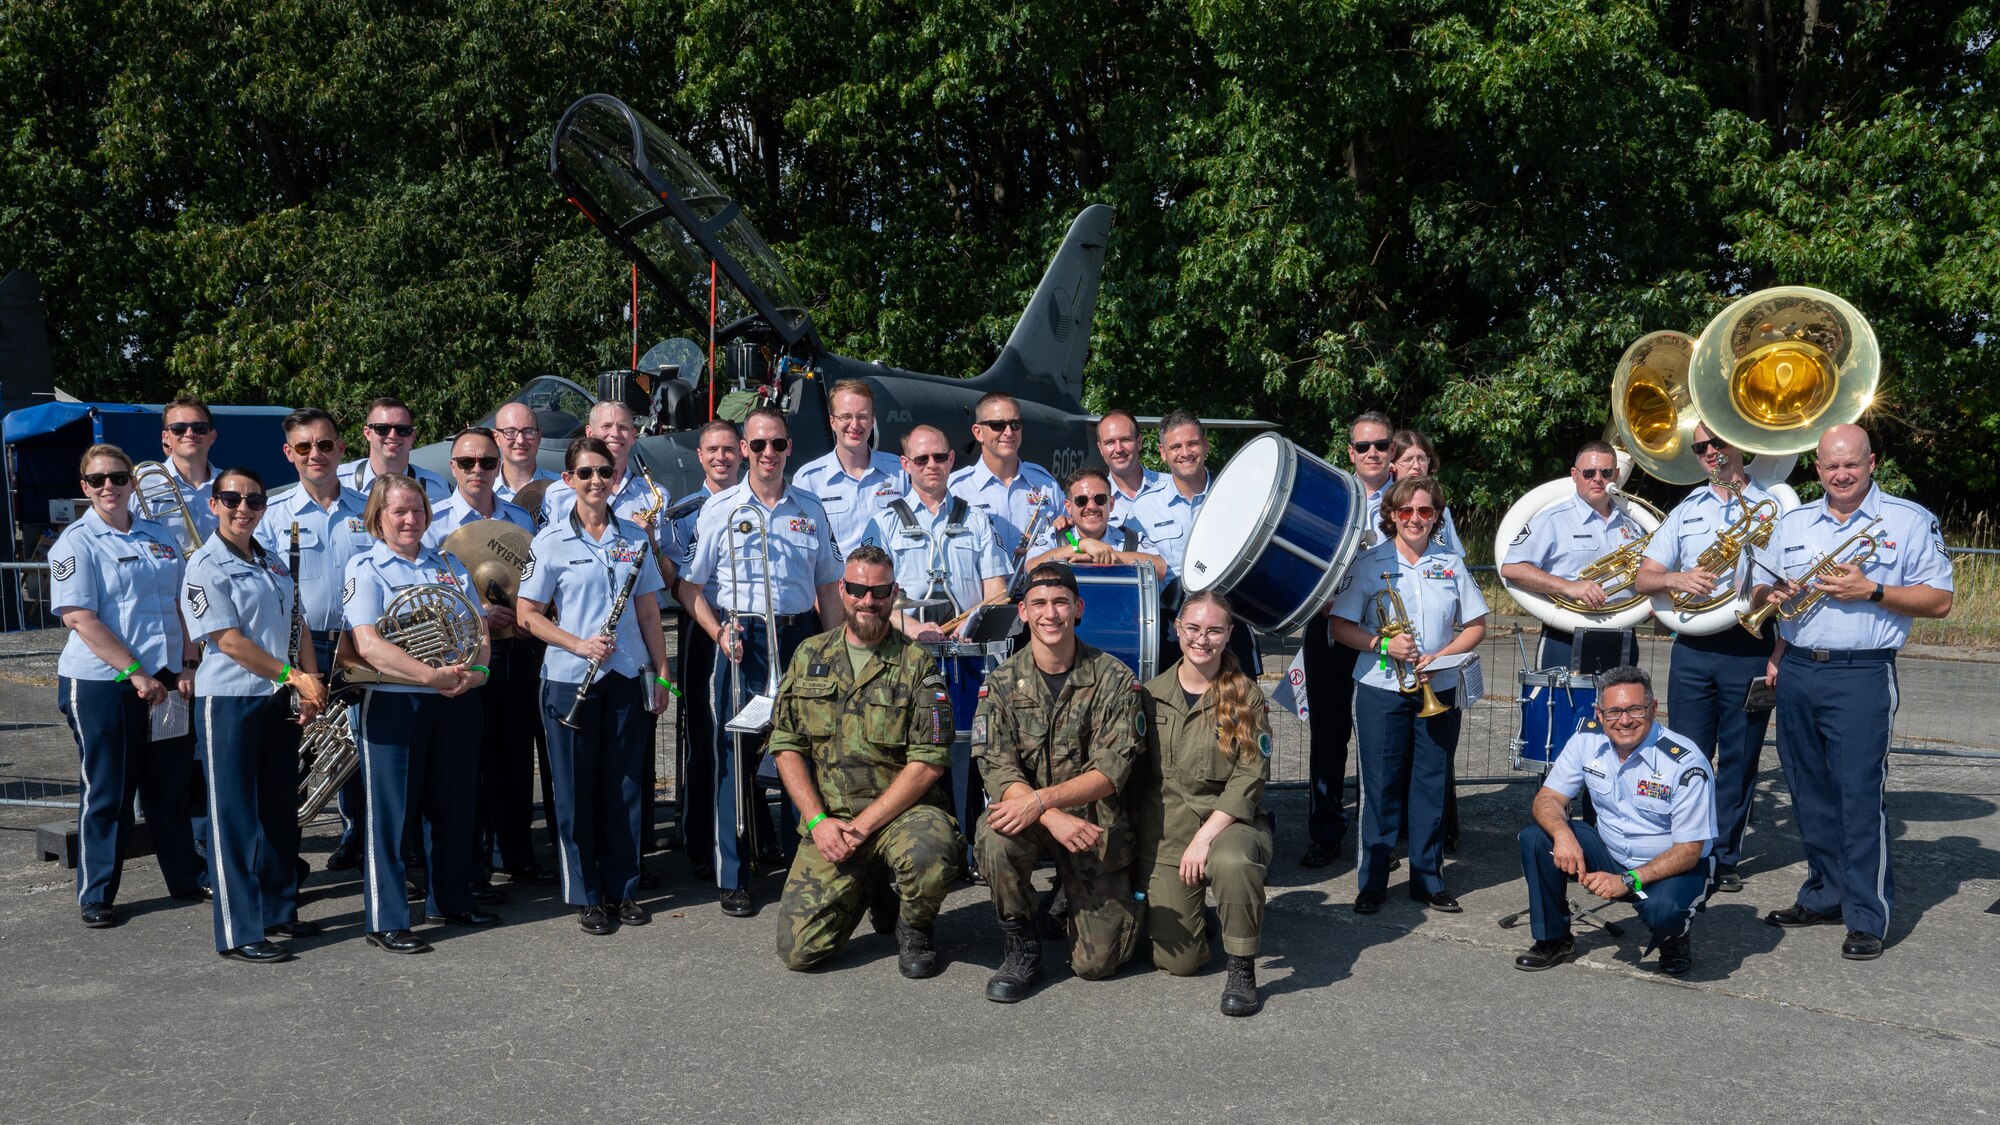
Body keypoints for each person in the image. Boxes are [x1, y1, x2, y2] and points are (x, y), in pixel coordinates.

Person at [1751, 424, 1952, 961]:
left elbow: (1939, 601)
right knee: (1809, 793)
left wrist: (1874, 590)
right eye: (1830, 465)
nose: (1841, 474)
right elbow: (1758, 583)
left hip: (1862, 673)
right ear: (1817, 468)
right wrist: (1772, 592)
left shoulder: (1908, 521)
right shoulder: (1793, 523)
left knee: (1859, 797)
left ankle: (1867, 916)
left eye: (1851, 464)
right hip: (1797, 671)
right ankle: (1825, 895)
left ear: (1871, 463)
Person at [678, 406, 843, 917]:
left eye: (777, 445)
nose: (767, 454)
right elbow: (688, 587)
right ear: (745, 449)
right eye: (757, 445)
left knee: (804, 752)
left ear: (790, 448)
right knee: (734, 755)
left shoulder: (811, 508)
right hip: (741, 639)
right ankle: (734, 876)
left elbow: (828, 587)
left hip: (799, 640)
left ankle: (802, 869)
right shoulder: (719, 509)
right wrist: (717, 630)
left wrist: (839, 653)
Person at [769, 546, 962, 978]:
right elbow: (786, 745)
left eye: (878, 591)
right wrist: (818, 822)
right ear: (842, 589)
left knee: (931, 853)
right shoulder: (809, 655)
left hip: (902, 816)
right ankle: (873, 885)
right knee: (799, 952)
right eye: (857, 589)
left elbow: (929, 762)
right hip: (833, 820)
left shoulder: (917, 664)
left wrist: (862, 828)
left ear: (894, 594)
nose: (868, 601)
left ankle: (914, 927)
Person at [517, 439, 673, 935]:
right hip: (570, 681)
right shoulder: (549, 543)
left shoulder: (633, 538)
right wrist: (577, 643)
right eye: (584, 473)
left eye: (603, 472)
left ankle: (622, 889)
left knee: (625, 788)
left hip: (627, 676)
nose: (595, 481)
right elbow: (527, 616)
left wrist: (662, 672)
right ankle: (586, 894)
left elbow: (649, 611)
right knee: (575, 791)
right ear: (569, 480)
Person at [51, 444, 207, 928]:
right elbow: (80, 618)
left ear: (132, 483)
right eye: (97, 480)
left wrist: (187, 663)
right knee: (110, 792)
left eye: (118, 478)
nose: (109, 487)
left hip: (164, 680)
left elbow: (181, 605)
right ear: (85, 488)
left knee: (170, 789)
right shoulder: (75, 542)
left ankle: (186, 878)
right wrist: (134, 672)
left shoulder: (157, 536)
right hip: (104, 683)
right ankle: (96, 893)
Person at [973, 562, 1143, 1002]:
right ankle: (1022, 948)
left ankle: (1077, 895)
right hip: (1038, 822)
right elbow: (997, 768)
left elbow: (1111, 771)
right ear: (1023, 612)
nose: (1051, 614)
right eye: (1039, 604)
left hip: (1093, 826)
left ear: (1078, 608)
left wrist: (1040, 802)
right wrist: (1047, 815)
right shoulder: (1001, 684)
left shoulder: (1115, 679)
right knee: (994, 836)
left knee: (1098, 965)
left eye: (1061, 602)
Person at [181, 467, 329, 963]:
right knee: (235, 819)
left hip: (277, 699)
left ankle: (278, 911)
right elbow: (227, 641)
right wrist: (292, 676)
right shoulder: (206, 565)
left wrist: (310, 682)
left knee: (278, 812)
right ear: (213, 505)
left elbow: (298, 621)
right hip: (230, 700)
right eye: (231, 499)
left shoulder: (271, 562)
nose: (243, 508)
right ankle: (240, 930)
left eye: (253, 500)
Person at [344, 474, 496, 954]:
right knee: (391, 816)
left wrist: (478, 674)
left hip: (455, 698)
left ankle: (450, 900)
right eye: (399, 512)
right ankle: (386, 919)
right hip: (394, 701)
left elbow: (479, 633)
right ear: (378, 516)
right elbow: (368, 644)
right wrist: (427, 676)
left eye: (417, 511)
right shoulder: (364, 567)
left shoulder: (449, 564)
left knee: (453, 807)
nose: (411, 520)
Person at [1328, 478, 1488, 913]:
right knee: (1380, 788)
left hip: (1438, 686)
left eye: (1425, 511)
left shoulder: (1451, 562)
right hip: (1381, 689)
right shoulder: (1368, 564)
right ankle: (1373, 882)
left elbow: (1475, 626)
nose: (1415, 519)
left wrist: (1442, 655)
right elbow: (1339, 626)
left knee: (1431, 784)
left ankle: (1428, 879)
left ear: (1436, 515)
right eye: (1406, 512)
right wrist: (1382, 644)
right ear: (1392, 515)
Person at [1632, 421, 1780, 892]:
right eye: (1700, 447)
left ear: (1738, 445)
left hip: (1749, 646)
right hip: (1693, 648)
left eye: (1718, 442)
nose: (1710, 452)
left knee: (1740, 755)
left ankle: (1725, 856)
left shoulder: (1775, 503)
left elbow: (1789, 579)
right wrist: (1677, 579)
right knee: (1684, 754)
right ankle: (1687, 849)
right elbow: (1644, 578)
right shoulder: (1686, 510)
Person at [1514, 666, 1715, 976]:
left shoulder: (1684, 762)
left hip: (1672, 866)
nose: (1624, 720)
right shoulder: (1586, 740)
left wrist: (1626, 881)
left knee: (1663, 912)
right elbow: (1547, 799)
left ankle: (1674, 937)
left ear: (1654, 708)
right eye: (1614, 711)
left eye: (1635, 709)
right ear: (1599, 712)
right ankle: (1553, 939)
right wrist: (1563, 834)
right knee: (1538, 838)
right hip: (1611, 854)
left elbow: (1689, 849)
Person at [424, 427, 552, 897]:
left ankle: (515, 855)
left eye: (487, 462)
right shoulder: (434, 522)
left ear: (499, 465)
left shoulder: (519, 517)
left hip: (515, 649)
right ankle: (472, 864)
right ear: (453, 467)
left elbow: (538, 580)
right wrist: (479, 613)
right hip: (460, 654)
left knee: (513, 758)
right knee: (467, 761)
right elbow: (427, 595)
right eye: (466, 462)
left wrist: (524, 612)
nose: (477, 470)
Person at [1134, 590, 1271, 1016]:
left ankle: (1242, 968)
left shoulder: (1246, 695)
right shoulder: (1149, 695)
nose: (1202, 639)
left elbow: (1251, 775)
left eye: (1214, 630)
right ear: (1176, 630)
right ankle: (1208, 916)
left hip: (1231, 824)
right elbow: (1135, 776)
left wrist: (1205, 838)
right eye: (1193, 628)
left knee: (1231, 862)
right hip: (1168, 830)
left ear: (1229, 634)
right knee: (1180, 962)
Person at [258, 407, 378, 872]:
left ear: (341, 448)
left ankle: (361, 840)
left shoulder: (369, 508)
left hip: (360, 645)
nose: (316, 455)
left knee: (359, 750)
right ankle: (286, 864)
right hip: (301, 650)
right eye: (304, 447)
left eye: (325, 444)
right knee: (299, 755)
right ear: (289, 454)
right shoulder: (271, 516)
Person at [1298, 410, 1396, 868]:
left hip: (1388, 633)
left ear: (1393, 449)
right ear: (1349, 452)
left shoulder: (1413, 501)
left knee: (1383, 740)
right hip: (1330, 624)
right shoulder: (1331, 498)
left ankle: (1381, 838)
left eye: (1381, 445)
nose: (1372, 453)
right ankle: (1326, 833)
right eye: (1363, 446)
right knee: (1329, 736)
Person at [1500, 439, 1647, 671]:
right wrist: (1569, 587)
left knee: (1621, 707)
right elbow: (1512, 567)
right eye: (1589, 472)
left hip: (1623, 633)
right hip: (1566, 635)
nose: (1597, 479)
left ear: (1616, 475)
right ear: (1574, 474)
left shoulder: (1635, 525)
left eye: (1606, 472)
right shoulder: (1552, 520)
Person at [668, 419, 742, 879]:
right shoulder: (684, 513)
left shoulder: (759, 503)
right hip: (704, 625)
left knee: (755, 738)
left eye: (729, 449)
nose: (721, 457)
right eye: (712, 449)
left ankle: (750, 829)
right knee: (704, 738)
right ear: (700, 456)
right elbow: (679, 582)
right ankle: (698, 837)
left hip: (750, 627)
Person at [859, 424, 1008, 638]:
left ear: (951, 459)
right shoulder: (883, 524)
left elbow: (997, 590)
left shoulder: (978, 520)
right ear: (906, 465)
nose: (932, 465)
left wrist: (970, 624)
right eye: (921, 459)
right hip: (904, 649)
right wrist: (913, 629)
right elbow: (870, 596)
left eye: (939, 457)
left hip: (965, 644)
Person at [791, 379, 909, 559]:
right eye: (845, 416)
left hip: (891, 583)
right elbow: (803, 545)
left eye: (862, 416)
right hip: (838, 584)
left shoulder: (900, 472)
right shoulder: (808, 480)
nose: (854, 425)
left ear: (872, 421)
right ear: (832, 422)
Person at [949, 391, 1061, 552]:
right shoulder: (957, 489)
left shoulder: (1046, 485)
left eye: (1015, 424)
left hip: (1037, 576)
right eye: (998, 425)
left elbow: (1073, 538)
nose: (1008, 432)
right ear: (978, 432)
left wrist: (1047, 546)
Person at [1025, 466, 1167, 581]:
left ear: (1111, 504)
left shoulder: (1130, 540)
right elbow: (1030, 567)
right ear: (1068, 507)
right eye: (1081, 500)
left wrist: (1112, 557)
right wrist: (1079, 546)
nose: (1091, 506)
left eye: (1099, 499)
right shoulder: (1056, 537)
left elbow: (1160, 568)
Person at [539, 401, 656, 528]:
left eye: (623, 427)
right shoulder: (557, 495)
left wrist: (652, 544)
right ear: (589, 433)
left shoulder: (654, 497)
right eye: (606, 426)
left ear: (633, 436)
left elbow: (671, 548)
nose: (615, 434)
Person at [1125, 410, 1212, 582]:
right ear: (1163, 453)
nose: (1185, 453)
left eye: (1192, 443)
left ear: (1205, 445)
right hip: (1172, 608)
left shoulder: (1230, 496)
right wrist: (1075, 543)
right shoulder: (1144, 508)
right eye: (1175, 447)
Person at [134, 396, 221, 554]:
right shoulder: (138, 482)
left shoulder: (230, 484)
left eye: (199, 427)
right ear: (166, 437)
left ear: (212, 436)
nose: (189, 433)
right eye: (178, 428)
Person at [340, 396, 451, 502]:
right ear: (368, 433)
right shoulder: (339, 483)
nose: (393, 435)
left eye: (402, 429)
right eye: (382, 429)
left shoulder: (438, 489)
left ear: (412, 436)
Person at [1387, 429, 1466, 555]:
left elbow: (1452, 552)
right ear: (1392, 465)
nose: (1416, 466)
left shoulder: (1440, 509)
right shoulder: (1382, 505)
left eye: (1421, 459)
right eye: (1407, 460)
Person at [1095, 408, 1167, 507]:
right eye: (1110, 442)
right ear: (1100, 449)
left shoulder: (1171, 487)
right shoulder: (1093, 502)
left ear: (1139, 443)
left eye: (1125, 440)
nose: (1119, 449)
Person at [492, 402, 560, 506]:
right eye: (510, 431)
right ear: (496, 438)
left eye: (528, 431)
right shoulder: (483, 492)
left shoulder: (561, 488)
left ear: (539, 437)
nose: (520, 440)